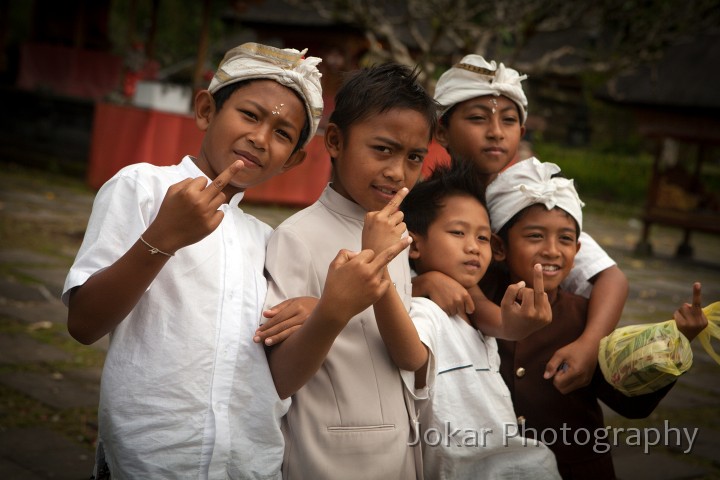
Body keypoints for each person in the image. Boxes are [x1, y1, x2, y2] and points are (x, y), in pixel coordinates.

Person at [62, 42, 333, 479]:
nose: (261, 139)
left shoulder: (264, 241)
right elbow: (84, 323)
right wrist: (163, 238)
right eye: (250, 115)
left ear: (294, 161)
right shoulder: (143, 188)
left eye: (283, 134)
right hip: (149, 457)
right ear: (206, 110)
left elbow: (274, 368)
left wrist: (314, 314)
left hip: (248, 463)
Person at [263, 62, 438, 480]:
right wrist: (330, 307)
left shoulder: (395, 235)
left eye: (414, 157)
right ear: (336, 141)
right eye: (383, 149)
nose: (398, 172)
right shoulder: (296, 237)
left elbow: (405, 355)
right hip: (330, 457)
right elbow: (276, 377)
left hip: (398, 451)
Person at [415, 54, 629, 394]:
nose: (496, 133)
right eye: (477, 119)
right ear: (441, 130)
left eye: (509, 121)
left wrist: (589, 345)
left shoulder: (530, 201)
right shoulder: (423, 202)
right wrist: (423, 282)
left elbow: (610, 277)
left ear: (522, 130)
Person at [484, 157, 708, 479]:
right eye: (535, 236)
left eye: (564, 239)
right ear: (499, 247)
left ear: (577, 250)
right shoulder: (480, 311)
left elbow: (632, 405)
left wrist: (678, 342)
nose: (551, 250)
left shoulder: (585, 317)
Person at [391, 160, 561, 479]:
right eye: (458, 232)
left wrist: (519, 323)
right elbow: (406, 350)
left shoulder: (474, 305)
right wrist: (414, 287)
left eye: (483, 238)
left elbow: (497, 321)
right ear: (414, 243)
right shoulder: (423, 311)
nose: (473, 247)